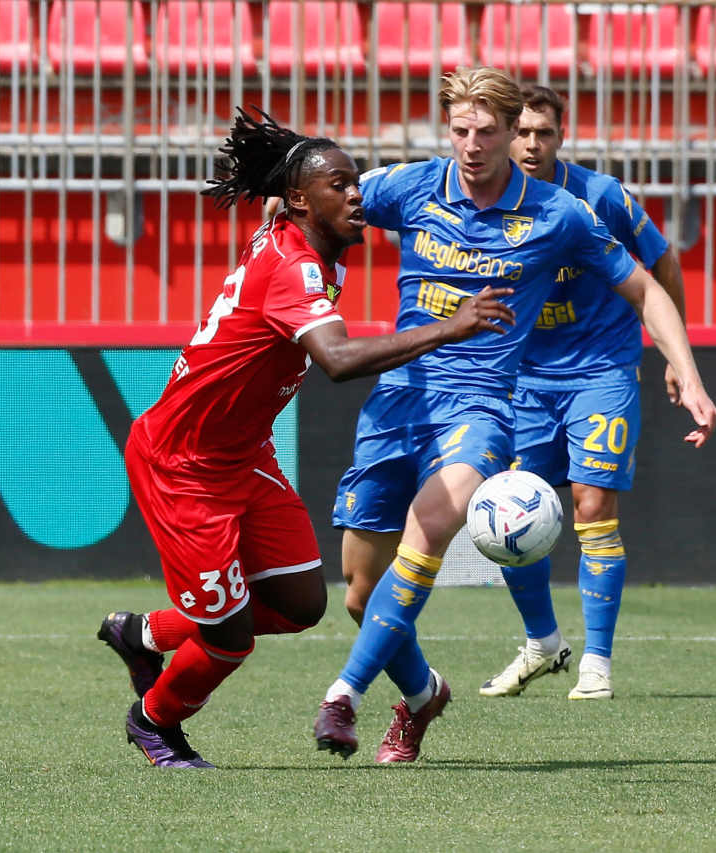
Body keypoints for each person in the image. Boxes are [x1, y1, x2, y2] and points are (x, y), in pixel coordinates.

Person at [313, 67, 716, 763]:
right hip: (399, 397)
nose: (472, 145)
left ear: (510, 132)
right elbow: (324, 207)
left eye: (486, 131)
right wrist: (286, 207)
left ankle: (343, 694)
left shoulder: (560, 213)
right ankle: (423, 694)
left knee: (432, 524)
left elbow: (647, 288)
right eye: (460, 130)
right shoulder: (410, 186)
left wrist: (687, 369)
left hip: (482, 402)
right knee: (359, 593)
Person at [96, 106, 516, 769]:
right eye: (339, 185)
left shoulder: (304, 241)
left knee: (300, 604)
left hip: (243, 456)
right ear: (299, 200)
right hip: (182, 466)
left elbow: (293, 220)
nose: (356, 196)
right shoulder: (294, 265)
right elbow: (338, 360)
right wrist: (450, 327)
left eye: (356, 183)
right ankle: (154, 722)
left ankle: (145, 633)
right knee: (229, 640)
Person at [478, 85, 691, 702]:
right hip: (522, 379)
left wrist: (676, 354)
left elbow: (661, 266)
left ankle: (596, 662)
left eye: (543, 133)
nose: (531, 144)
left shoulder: (602, 197)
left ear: (561, 137)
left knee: (592, 506)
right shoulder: (485, 200)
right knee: (508, 511)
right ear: (505, 136)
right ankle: (542, 643)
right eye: (522, 133)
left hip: (601, 369)